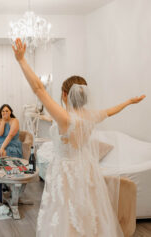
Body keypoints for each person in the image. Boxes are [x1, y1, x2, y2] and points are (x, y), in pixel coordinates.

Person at [12, 38, 145, 236]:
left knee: (64, 212)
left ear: (65, 94)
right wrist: (128, 102)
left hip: (65, 170)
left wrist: (21, 60)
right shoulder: (92, 116)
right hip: (85, 168)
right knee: (85, 212)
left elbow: (39, 89)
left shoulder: (64, 118)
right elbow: (111, 111)